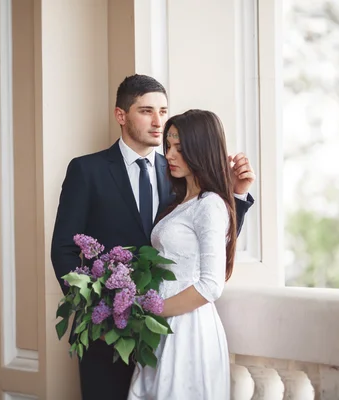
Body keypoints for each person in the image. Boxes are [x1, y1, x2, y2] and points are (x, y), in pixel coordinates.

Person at [51, 75, 255, 400]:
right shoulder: (86, 171)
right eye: (147, 110)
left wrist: (236, 198)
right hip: (108, 335)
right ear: (122, 116)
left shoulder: (177, 171)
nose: (158, 121)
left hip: (168, 331)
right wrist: (99, 312)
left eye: (163, 110)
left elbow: (206, 246)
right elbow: (63, 249)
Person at [127, 109, 237, 399]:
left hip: (188, 330)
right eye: (168, 146)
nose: (170, 155)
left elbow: (211, 284)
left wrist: (151, 310)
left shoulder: (210, 205)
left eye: (180, 147)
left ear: (201, 149)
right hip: (164, 326)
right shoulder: (181, 202)